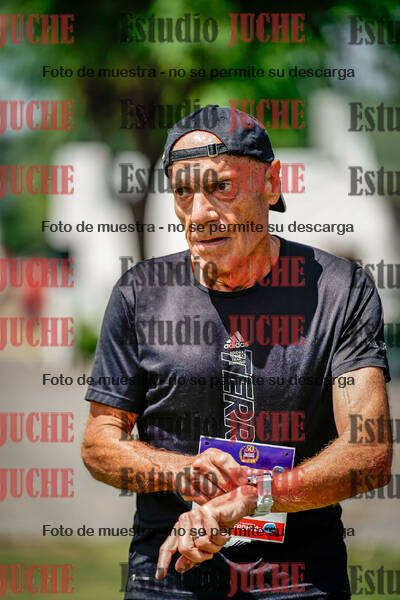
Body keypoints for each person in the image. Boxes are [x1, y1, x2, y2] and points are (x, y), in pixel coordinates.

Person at [81, 105, 392, 599]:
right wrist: (181, 472)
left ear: (271, 183)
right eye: (183, 192)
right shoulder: (140, 293)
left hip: (298, 582)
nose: (200, 213)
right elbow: (99, 444)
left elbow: (368, 452)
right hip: (169, 576)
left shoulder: (340, 291)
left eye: (221, 186)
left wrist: (253, 498)